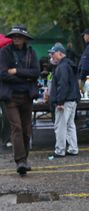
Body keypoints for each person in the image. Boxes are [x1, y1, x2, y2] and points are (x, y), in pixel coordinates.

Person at [0, 25, 40, 176]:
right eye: (14, 36)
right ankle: (20, 161)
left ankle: (24, 160)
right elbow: (2, 74)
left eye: (19, 36)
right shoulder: (4, 52)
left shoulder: (31, 53)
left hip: (27, 96)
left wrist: (17, 71)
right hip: (10, 96)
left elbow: (36, 72)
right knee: (16, 127)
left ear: (24, 39)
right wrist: (25, 78)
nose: (16, 38)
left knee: (26, 128)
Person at [49, 43, 79, 157]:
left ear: (60, 53)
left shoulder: (62, 67)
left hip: (65, 101)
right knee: (70, 125)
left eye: (53, 53)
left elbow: (63, 85)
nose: (51, 56)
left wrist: (60, 102)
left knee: (60, 126)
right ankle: (73, 148)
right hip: (72, 99)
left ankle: (60, 150)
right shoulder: (68, 64)